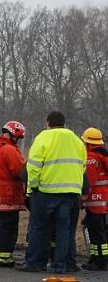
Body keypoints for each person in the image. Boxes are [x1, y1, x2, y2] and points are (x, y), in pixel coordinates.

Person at [21, 111, 87, 273]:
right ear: (64, 123)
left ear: (48, 123)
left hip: (46, 192)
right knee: (64, 230)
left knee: (39, 228)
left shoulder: (44, 137)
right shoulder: (77, 140)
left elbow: (34, 166)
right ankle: (61, 265)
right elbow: (83, 166)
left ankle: (36, 263)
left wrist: (31, 189)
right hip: (71, 193)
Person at [0, 121, 26, 267]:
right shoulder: (9, 150)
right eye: (18, 138)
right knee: (9, 228)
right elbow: (20, 170)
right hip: (9, 195)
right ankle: (4, 258)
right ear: (13, 135)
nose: (19, 141)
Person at [81, 128, 108, 271]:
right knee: (101, 230)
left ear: (88, 143)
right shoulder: (103, 154)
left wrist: (81, 200)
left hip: (94, 201)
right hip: (103, 200)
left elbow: (88, 183)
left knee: (96, 232)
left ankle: (100, 261)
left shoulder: (91, 158)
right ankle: (98, 258)